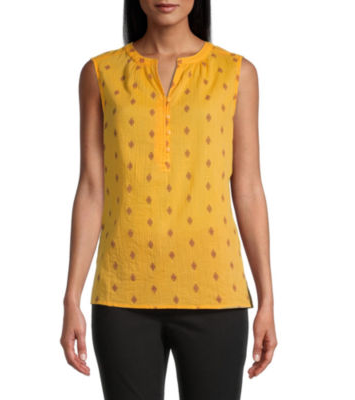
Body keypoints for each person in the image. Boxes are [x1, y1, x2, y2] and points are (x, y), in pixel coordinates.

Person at [60, 1, 277, 399]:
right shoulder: (100, 73)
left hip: (216, 292)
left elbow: (248, 188)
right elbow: (91, 188)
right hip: (122, 294)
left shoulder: (236, 73)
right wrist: (71, 298)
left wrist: (267, 300)